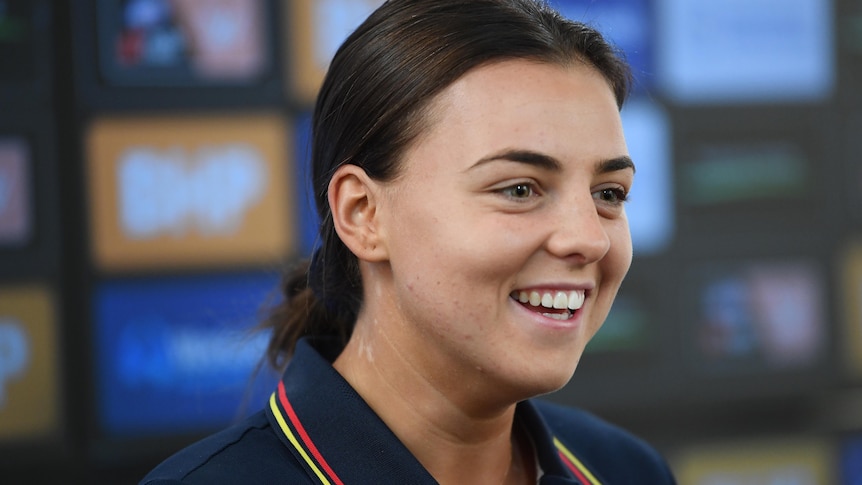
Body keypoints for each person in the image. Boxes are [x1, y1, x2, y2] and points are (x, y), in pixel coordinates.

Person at [142, 0, 677, 483]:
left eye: (609, 193)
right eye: (519, 189)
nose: (589, 238)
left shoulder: (628, 470)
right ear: (363, 214)